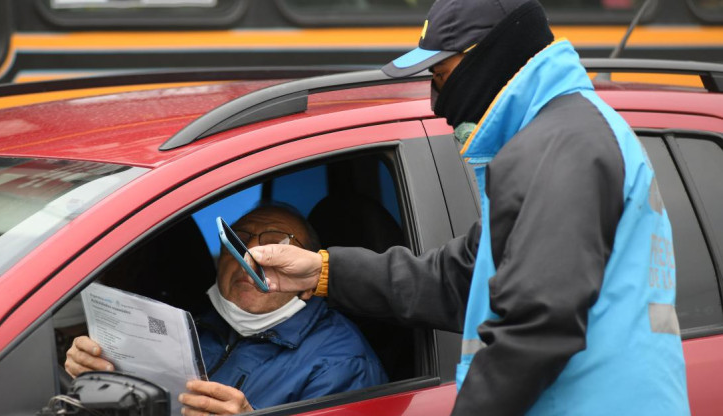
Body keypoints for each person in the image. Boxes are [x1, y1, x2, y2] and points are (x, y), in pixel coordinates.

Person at [248, 0, 691, 415]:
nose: (437, 99)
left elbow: (536, 324)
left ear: (491, 56)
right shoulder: (561, 133)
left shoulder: (558, 146)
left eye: (440, 75)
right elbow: (463, 277)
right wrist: (323, 271)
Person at [65, 204, 387, 415]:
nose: (253, 259)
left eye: (277, 246)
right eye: (239, 243)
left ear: (306, 278)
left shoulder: (342, 365)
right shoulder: (184, 323)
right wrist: (95, 377)